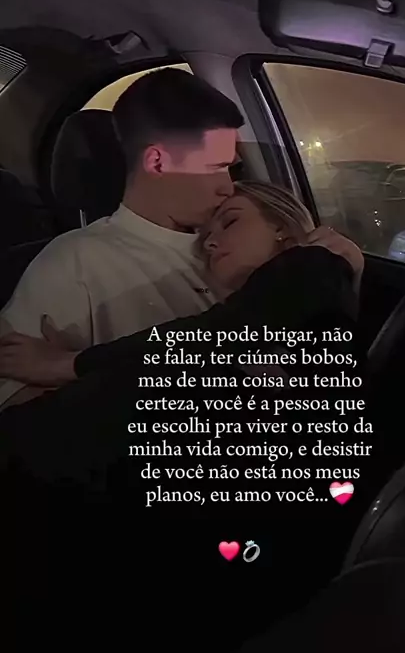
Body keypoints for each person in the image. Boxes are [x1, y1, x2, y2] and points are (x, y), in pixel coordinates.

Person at [1, 181, 367, 652]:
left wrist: (66, 365)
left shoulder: (311, 266)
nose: (210, 242)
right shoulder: (244, 316)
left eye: (230, 222)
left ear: (284, 230)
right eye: (204, 237)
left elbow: (221, 336)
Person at [0, 67, 244, 406]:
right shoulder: (74, 264)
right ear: (157, 162)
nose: (228, 188)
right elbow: (12, 401)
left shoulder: (243, 237)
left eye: (231, 168)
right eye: (215, 167)